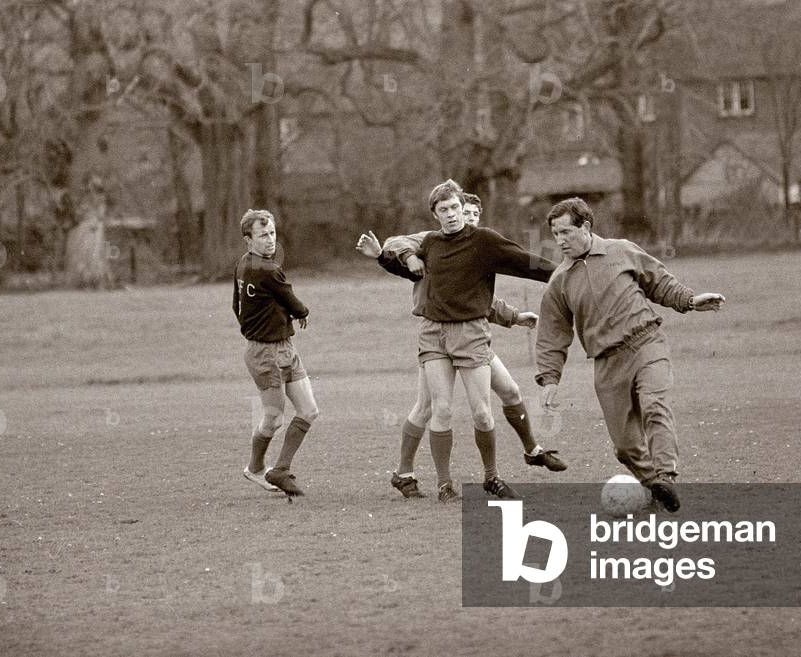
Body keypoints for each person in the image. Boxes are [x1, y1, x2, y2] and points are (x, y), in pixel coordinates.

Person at [355, 192, 567, 500]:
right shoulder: (429, 242)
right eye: (447, 209)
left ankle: (501, 470)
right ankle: (443, 485)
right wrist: (386, 255)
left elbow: (523, 264)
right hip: (433, 333)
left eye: (459, 209)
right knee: (437, 408)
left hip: (470, 333)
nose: (455, 214)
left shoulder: (484, 241)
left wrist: (563, 275)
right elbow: (403, 255)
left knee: (486, 409)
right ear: (436, 214)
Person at [534, 198, 725, 513]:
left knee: (655, 407)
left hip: (646, 342)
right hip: (607, 363)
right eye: (555, 234)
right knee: (624, 447)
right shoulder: (560, 282)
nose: (560, 240)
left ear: (586, 226)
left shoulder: (621, 250)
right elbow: (552, 334)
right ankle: (655, 486)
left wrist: (691, 301)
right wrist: (549, 378)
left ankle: (666, 476)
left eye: (566, 232)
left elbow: (660, 283)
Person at [233, 209, 318, 499]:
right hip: (265, 353)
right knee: (273, 419)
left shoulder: (244, 264)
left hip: (284, 347)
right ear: (248, 240)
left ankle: (279, 469)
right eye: (262, 235)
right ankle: (255, 468)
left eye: (272, 233)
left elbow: (237, 306)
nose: (270, 240)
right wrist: (302, 313)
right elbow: (291, 300)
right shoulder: (267, 269)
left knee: (308, 410)